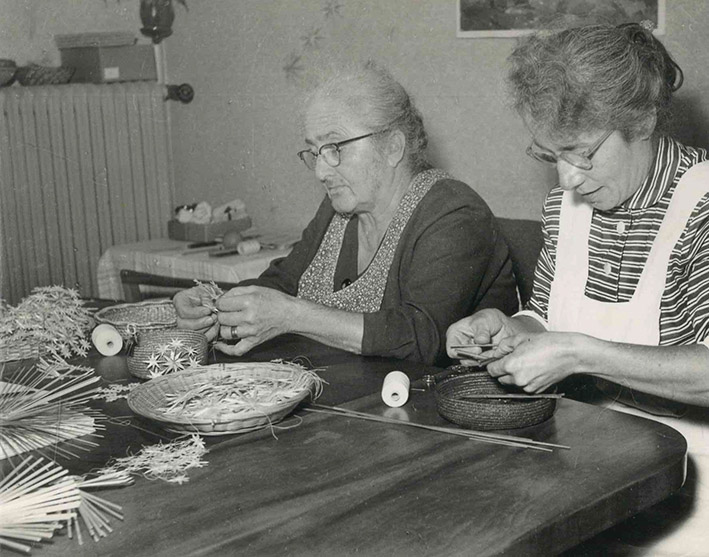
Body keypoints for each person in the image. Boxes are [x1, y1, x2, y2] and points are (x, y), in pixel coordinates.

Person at [446, 22, 709, 553]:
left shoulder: (701, 207)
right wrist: (510, 328)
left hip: (693, 482)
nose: (566, 179)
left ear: (642, 120)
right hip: (585, 463)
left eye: (581, 151)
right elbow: (545, 312)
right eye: (550, 156)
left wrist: (578, 354)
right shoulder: (569, 205)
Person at [175, 62, 517, 366]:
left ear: (393, 147)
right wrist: (215, 304)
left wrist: (293, 316)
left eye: (335, 148)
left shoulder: (454, 212)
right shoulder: (340, 208)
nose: (321, 171)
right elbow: (283, 283)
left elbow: (422, 338)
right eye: (314, 152)